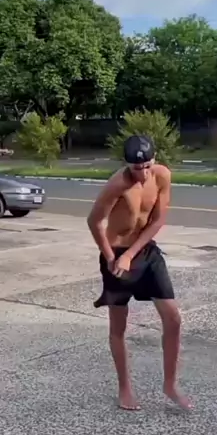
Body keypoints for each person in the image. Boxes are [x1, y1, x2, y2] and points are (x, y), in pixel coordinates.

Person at [87, 134, 192, 411]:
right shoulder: (117, 185)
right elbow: (94, 221)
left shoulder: (162, 176)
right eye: (136, 168)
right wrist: (112, 258)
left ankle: (170, 385)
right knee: (119, 326)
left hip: (144, 251)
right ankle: (125, 389)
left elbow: (157, 219)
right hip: (116, 253)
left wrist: (132, 254)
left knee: (173, 318)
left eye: (147, 166)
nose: (143, 173)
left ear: (154, 160)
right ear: (127, 164)